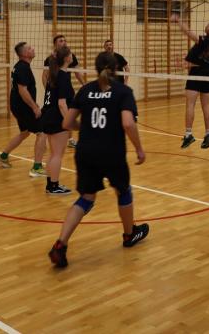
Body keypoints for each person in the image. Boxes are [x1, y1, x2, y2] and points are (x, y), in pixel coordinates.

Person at [48, 52, 149, 268]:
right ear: (116, 69)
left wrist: (85, 127)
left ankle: (60, 244)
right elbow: (128, 123)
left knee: (86, 198)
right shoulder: (123, 91)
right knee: (123, 191)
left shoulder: (85, 90)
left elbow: (66, 123)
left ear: (95, 68)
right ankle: (129, 234)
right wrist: (139, 149)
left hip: (85, 152)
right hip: (112, 152)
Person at [170, 13, 209, 149]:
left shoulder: (205, 40)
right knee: (206, 105)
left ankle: (188, 134)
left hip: (196, 74)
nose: (207, 25)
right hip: (207, 73)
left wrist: (178, 20)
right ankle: (208, 134)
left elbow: (188, 32)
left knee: (190, 104)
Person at [0, 42, 46, 175]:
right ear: (25, 53)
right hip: (24, 107)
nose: (33, 49)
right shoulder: (23, 68)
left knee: (25, 132)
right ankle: (37, 168)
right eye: (30, 48)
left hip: (18, 106)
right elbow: (23, 90)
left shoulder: (20, 66)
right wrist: (34, 107)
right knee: (42, 133)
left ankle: (3, 157)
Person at [40, 46, 75, 194]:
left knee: (53, 153)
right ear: (67, 58)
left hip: (48, 116)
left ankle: (51, 184)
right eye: (71, 54)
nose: (72, 55)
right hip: (57, 118)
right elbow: (62, 104)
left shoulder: (54, 74)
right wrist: (69, 121)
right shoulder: (62, 76)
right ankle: (54, 186)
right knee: (57, 154)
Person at [43, 34, 84, 149]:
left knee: (67, 111)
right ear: (55, 44)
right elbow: (44, 76)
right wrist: (50, 91)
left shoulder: (66, 66)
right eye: (61, 41)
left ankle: (69, 139)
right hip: (58, 94)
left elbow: (77, 72)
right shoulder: (51, 60)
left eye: (65, 40)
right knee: (63, 113)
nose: (64, 42)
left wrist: (84, 85)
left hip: (63, 90)